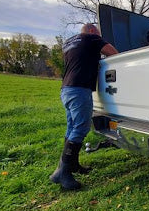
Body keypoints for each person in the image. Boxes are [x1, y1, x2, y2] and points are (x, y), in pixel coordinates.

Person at [50, 23, 118, 190]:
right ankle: (63, 173)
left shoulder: (68, 43)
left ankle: (72, 166)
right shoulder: (92, 37)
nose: (100, 36)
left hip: (66, 89)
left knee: (72, 127)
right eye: (99, 34)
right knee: (80, 128)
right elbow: (114, 54)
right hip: (80, 89)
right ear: (92, 30)